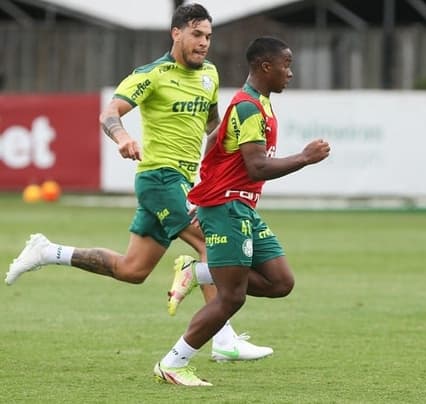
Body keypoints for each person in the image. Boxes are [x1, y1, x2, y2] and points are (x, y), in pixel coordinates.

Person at [5, 3, 272, 362]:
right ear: (176, 33)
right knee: (213, 245)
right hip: (160, 177)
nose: (204, 43)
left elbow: (212, 127)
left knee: (133, 270)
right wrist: (122, 139)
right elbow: (109, 112)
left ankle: (48, 251)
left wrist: (226, 161)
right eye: (196, 34)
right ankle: (223, 339)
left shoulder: (209, 74)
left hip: (183, 180)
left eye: (208, 36)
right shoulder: (153, 74)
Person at [153, 36, 331, 386]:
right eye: (286, 64)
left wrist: (209, 181)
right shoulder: (249, 106)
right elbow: (257, 167)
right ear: (266, 66)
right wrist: (304, 158)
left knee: (281, 282)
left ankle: (199, 271)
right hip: (227, 208)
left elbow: (215, 140)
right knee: (232, 296)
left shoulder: (256, 103)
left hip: (241, 206)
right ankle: (173, 363)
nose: (290, 73)